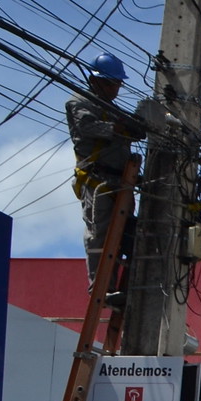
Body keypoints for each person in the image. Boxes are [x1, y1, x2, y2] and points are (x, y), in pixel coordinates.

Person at [66, 53, 139, 285]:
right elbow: (88, 127)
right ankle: (101, 286)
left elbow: (136, 129)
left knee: (124, 234)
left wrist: (141, 125)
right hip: (97, 180)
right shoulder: (80, 102)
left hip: (122, 181)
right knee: (100, 235)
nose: (115, 89)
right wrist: (120, 128)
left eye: (118, 84)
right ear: (94, 80)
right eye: (110, 83)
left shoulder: (116, 110)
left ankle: (122, 285)